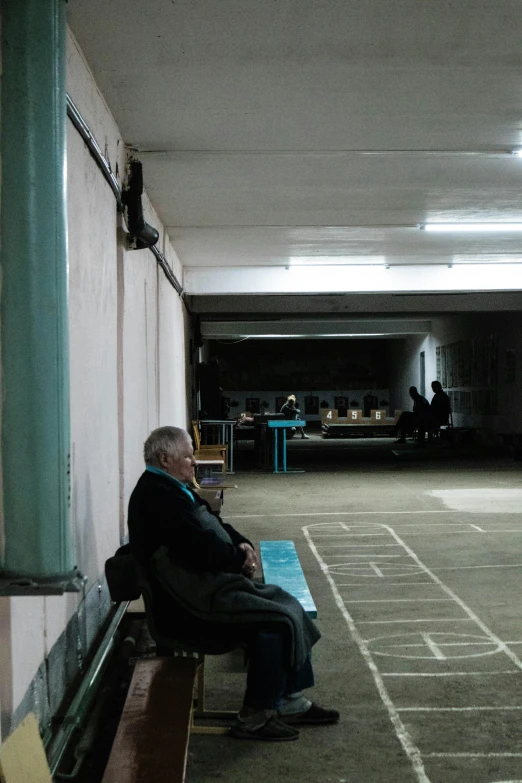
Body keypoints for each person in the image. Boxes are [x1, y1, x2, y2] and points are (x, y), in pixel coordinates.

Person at [127, 426, 338, 741]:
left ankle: (288, 700)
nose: (194, 462)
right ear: (165, 459)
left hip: (204, 586)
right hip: (187, 604)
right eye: (188, 456)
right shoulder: (157, 496)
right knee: (275, 621)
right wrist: (238, 561)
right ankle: (254, 716)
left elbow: (214, 522)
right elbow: (198, 548)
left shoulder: (170, 487)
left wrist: (243, 544)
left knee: (285, 602)